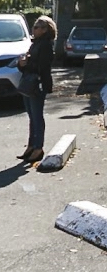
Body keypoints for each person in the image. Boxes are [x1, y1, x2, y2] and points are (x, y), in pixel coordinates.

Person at [16, 15, 55, 164]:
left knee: (37, 116)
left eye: (37, 27)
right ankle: (31, 145)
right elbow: (28, 65)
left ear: (45, 30)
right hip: (28, 82)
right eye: (34, 26)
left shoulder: (46, 45)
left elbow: (43, 67)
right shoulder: (35, 43)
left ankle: (38, 147)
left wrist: (27, 63)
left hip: (37, 84)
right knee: (32, 116)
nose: (34, 29)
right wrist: (22, 63)